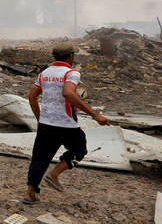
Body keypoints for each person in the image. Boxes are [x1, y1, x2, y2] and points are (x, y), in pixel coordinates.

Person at [23, 43, 109, 204]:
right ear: (70, 56)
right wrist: (95, 115)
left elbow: (32, 96)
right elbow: (68, 93)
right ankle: (54, 175)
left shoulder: (44, 73)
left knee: (39, 158)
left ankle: (30, 194)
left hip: (46, 124)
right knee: (79, 149)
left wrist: (39, 119)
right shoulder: (71, 73)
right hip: (66, 124)